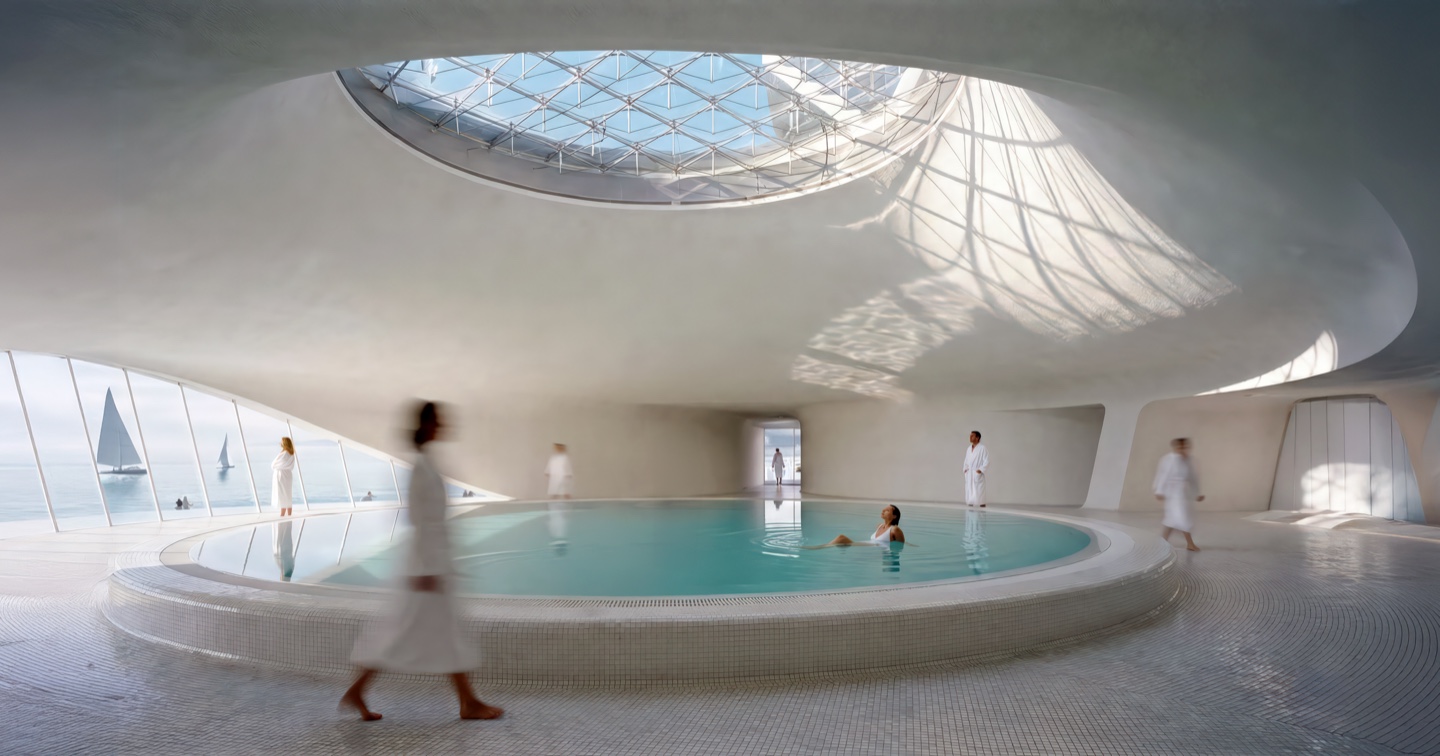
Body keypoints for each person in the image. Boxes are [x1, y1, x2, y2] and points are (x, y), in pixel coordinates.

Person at [343, 401, 502, 722]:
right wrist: (427, 569)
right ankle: (467, 703)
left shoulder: (428, 463)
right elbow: (418, 519)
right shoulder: (421, 468)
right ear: (427, 424)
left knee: (423, 632)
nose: (443, 424)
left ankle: (359, 691)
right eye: (438, 420)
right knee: (417, 632)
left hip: (431, 565)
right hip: (426, 569)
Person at [1155, 437, 1205, 551]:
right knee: (1182, 517)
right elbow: (1163, 476)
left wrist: (1197, 493)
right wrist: (1159, 490)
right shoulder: (1168, 459)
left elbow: (1193, 478)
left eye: (1184, 446)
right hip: (1173, 493)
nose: (1182, 449)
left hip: (1184, 493)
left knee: (1172, 519)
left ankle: (1162, 541)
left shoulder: (1188, 460)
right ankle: (1190, 543)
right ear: (1175, 447)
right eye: (1180, 446)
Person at [806, 505, 905, 548]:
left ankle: (818, 549)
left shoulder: (895, 529)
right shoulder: (880, 526)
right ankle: (821, 548)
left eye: (887, 510)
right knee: (841, 540)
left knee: (841, 538)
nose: (883, 510)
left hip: (871, 551)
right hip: (866, 547)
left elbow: (901, 545)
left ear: (894, 516)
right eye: (884, 509)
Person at [962, 431, 989, 507]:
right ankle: (970, 509)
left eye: (972, 436)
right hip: (969, 473)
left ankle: (982, 509)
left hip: (977, 473)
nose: (970, 437)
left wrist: (980, 470)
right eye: (970, 436)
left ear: (977, 438)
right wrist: (965, 470)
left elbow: (987, 461)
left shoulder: (982, 448)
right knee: (969, 491)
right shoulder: (968, 449)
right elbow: (966, 460)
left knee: (979, 491)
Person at [271, 437, 296, 517]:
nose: (280, 443)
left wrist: (276, 466)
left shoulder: (284, 453)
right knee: (287, 494)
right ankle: (289, 515)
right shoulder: (291, 453)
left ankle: (282, 515)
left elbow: (273, 464)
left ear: (284, 443)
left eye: (281, 442)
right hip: (288, 475)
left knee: (282, 494)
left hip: (281, 475)